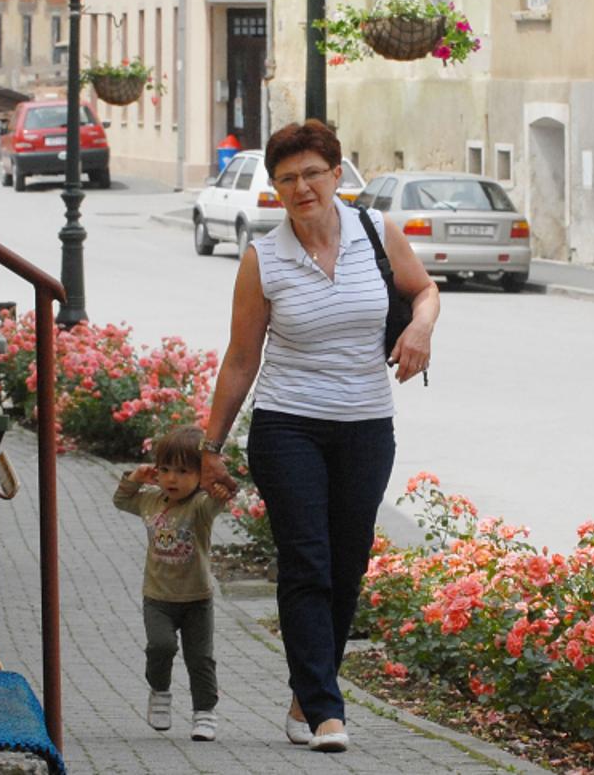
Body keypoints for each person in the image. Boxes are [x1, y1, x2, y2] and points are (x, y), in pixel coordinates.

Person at [199, 119, 439, 752]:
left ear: (337, 173)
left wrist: (420, 330)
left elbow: (424, 291)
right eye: (286, 179)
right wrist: (209, 447)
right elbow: (241, 360)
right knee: (307, 561)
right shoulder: (262, 259)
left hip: (365, 426)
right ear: (274, 190)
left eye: (311, 173)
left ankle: (306, 698)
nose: (301, 187)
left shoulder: (376, 231)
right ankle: (328, 712)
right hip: (288, 426)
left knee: (347, 564)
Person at [113, 424, 225, 742]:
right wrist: (135, 478)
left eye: (182, 471)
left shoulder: (200, 506)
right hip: (158, 597)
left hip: (197, 599)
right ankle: (159, 692)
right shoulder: (150, 501)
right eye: (164, 470)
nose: (171, 478)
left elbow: (217, 503)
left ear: (200, 475)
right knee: (160, 647)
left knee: (200, 658)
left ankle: (204, 712)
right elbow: (121, 501)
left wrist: (220, 487)